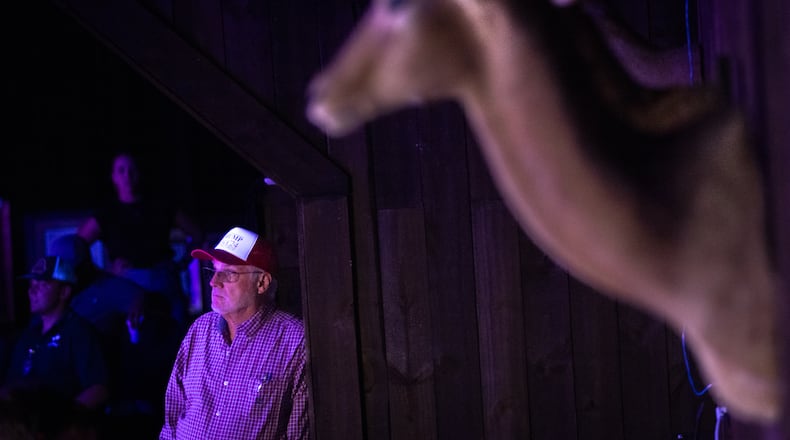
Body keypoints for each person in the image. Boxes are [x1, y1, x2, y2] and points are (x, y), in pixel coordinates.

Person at [160, 226, 308, 440]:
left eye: (228, 273)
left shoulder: (294, 340)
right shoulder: (200, 329)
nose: (213, 282)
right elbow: (172, 415)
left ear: (262, 283)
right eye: (213, 270)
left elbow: (299, 433)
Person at [77, 150, 203, 325]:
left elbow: (197, 234)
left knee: (175, 329)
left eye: (132, 170)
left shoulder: (160, 205)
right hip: (127, 280)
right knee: (133, 330)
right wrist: (104, 273)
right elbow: (76, 246)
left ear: (139, 174)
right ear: (113, 177)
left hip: (162, 277)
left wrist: (181, 263)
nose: (127, 176)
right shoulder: (106, 214)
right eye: (121, 170)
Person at [1, 256, 109, 411]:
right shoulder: (28, 335)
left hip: (56, 421)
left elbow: (98, 389)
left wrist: (65, 418)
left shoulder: (79, 333)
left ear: (64, 292)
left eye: (42, 284)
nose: (32, 291)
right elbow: (11, 383)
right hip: (23, 420)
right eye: (32, 284)